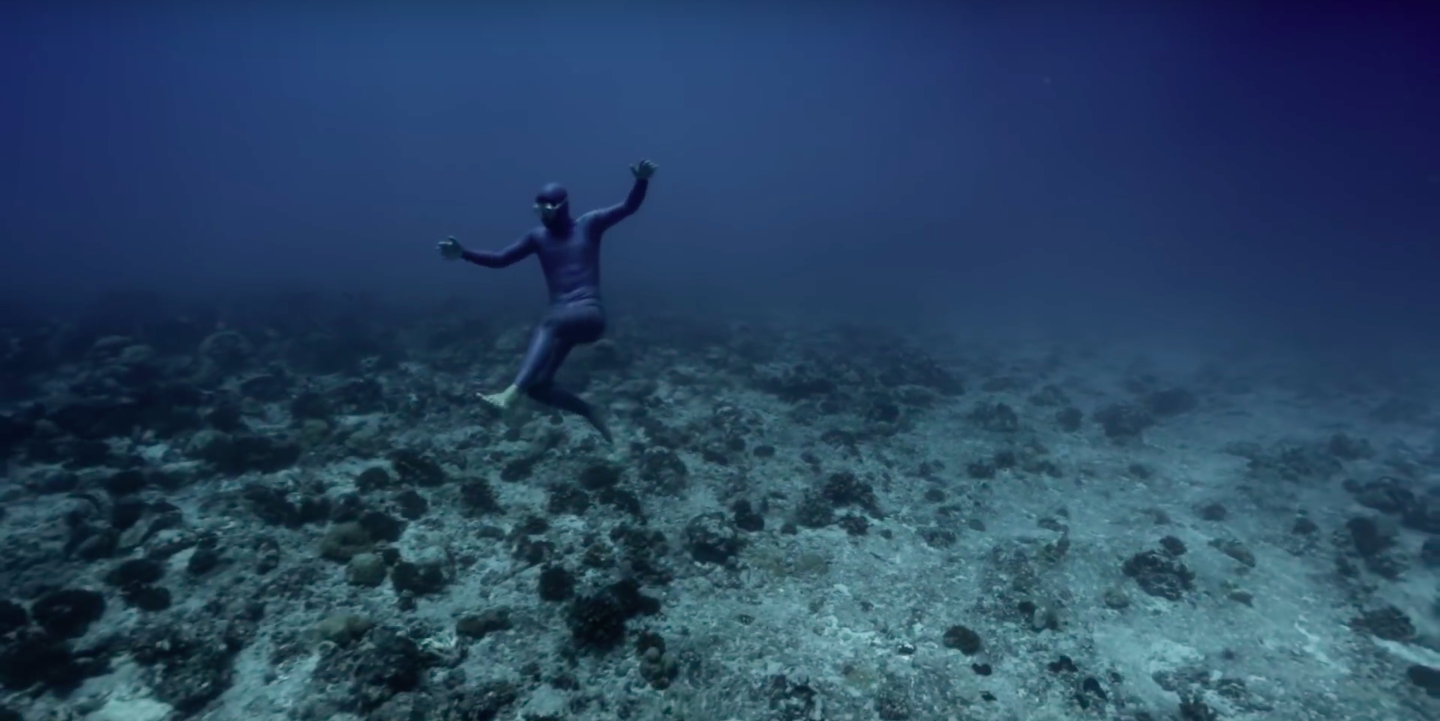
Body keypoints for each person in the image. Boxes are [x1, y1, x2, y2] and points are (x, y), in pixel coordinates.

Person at [439, 159, 657, 442]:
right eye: (537, 209)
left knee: (549, 323)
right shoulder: (537, 238)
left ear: (563, 206)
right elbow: (501, 259)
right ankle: (590, 412)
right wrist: (463, 253)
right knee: (539, 387)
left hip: (589, 314)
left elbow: (628, 207)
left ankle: (510, 393)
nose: (542, 215)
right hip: (564, 319)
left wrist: (641, 181)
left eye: (547, 208)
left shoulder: (589, 225)